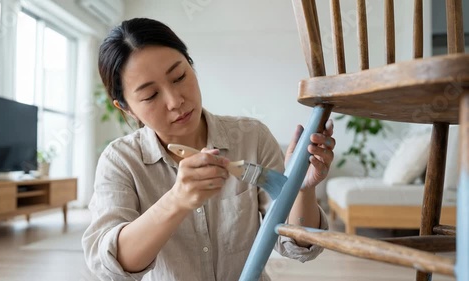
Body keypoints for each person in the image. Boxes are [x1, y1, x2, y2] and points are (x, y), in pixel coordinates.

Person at [82, 17, 336, 281]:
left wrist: (300, 189)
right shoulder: (121, 161)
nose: (175, 101)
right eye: (150, 96)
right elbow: (111, 266)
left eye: (179, 77)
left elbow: (298, 247)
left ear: (191, 65)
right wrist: (177, 200)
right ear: (125, 107)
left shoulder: (252, 137)